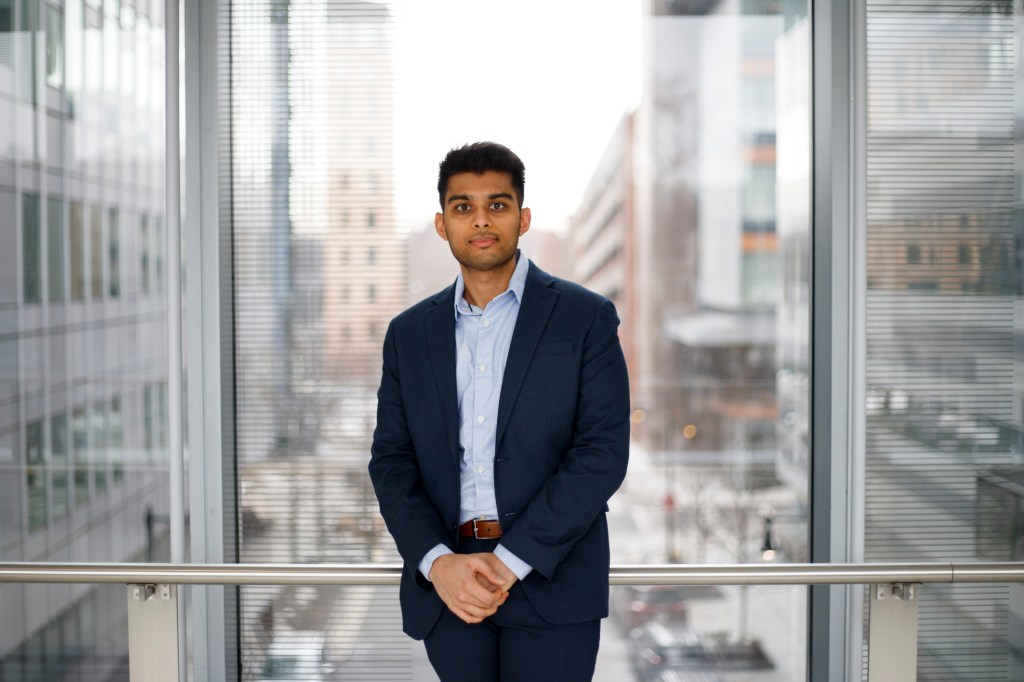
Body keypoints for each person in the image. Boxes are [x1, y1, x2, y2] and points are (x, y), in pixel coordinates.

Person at [368, 141, 630, 682]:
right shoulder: (408, 335)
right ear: (442, 224)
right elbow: (392, 463)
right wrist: (438, 563)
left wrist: (509, 562)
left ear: (523, 217)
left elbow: (601, 455)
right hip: (451, 586)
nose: (480, 220)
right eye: (463, 206)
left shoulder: (585, 318)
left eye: (498, 204)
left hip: (552, 580)